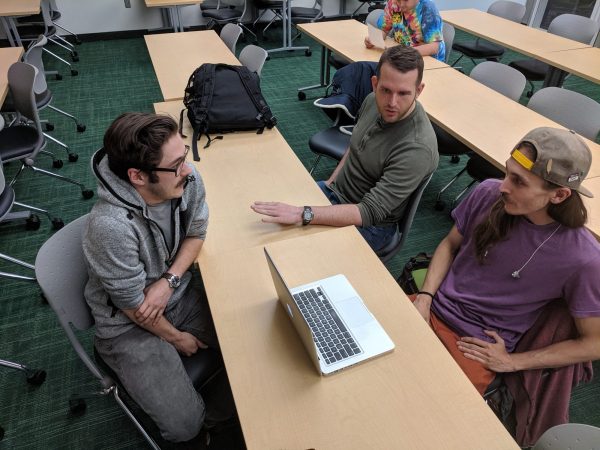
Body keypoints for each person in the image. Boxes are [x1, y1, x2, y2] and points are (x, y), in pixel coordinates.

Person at [413, 127, 600, 395]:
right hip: (429, 308)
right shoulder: (488, 193)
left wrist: (513, 362)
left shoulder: (584, 258)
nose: (503, 186)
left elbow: (594, 344)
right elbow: (449, 244)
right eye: (508, 172)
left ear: (559, 195)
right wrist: (424, 296)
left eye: (519, 181)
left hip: (475, 347)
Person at [83, 113, 222, 444]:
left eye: (184, 156)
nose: (187, 170)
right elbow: (134, 307)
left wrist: (169, 280)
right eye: (176, 165)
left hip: (174, 295)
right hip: (126, 325)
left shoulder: (184, 178)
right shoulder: (109, 227)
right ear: (138, 176)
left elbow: (197, 232)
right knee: (185, 427)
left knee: (252, 345)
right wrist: (177, 339)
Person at [251, 46, 438, 255]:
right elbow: (355, 145)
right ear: (375, 84)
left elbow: (369, 212)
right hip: (337, 194)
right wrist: (330, 183)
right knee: (261, 222)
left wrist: (304, 214)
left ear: (419, 90)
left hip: (371, 224)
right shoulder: (372, 101)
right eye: (386, 90)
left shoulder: (417, 147)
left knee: (293, 251)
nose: (392, 103)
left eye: (404, 93)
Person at [364, 0, 445, 62]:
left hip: (426, 59)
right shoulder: (394, 4)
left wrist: (405, 52)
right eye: (399, 0)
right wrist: (374, 39)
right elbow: (384, 30)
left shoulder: (428, 8)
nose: (401, 5)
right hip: (401, 57)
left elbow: (434, 47)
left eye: (406, 0)